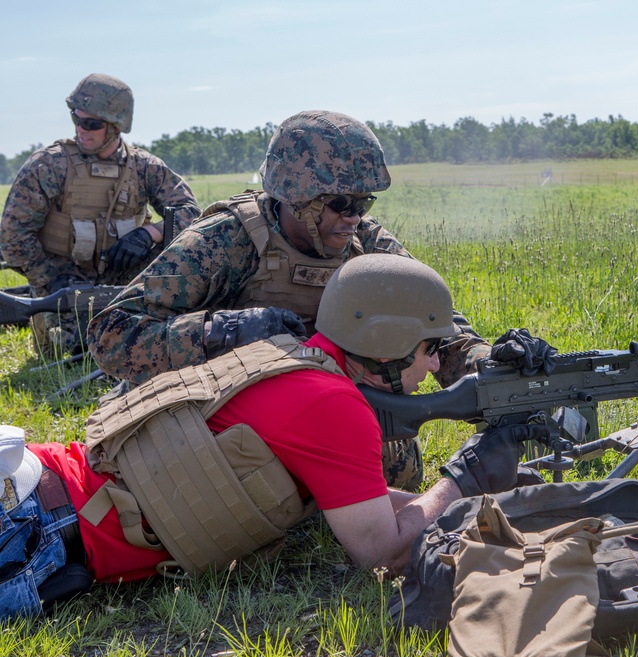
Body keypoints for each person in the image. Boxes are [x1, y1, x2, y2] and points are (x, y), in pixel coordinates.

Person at [1, 254, 547, 620]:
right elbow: (380, 550)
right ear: (388, 343)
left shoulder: (297, 364)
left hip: (42, 493)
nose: (431, 368)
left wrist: (469, 503)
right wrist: (462, 476)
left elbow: (364, 508)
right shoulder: (335, 407)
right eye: (430, 350)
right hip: (36, 527)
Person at [86, 109, 492, 489]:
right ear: (297, 198)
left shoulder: (363, 240)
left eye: (363, 202)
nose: (354, 216)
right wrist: (224, 332)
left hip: (315, 404)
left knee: (397, 465)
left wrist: (488, 367)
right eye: (340, 203)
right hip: (224, 410)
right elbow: (111, 335)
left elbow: (433, 318)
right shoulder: (227, 239)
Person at [0, 73, 200, 354]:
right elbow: (13, 236)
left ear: (116, 126)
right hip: (62, 283)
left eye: (91, 124)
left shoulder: (144, 167)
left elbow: (192, 213)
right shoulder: (49, 166)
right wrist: (51, 277)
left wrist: (147, 233)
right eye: (76, 118)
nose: (81, 129)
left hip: (122, 280)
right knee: (77, 347)